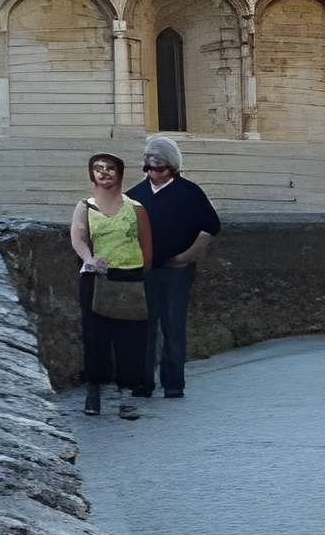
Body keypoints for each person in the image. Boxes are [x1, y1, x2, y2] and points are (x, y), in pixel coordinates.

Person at [136, 133, 220, 400]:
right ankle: (142, 383)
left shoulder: (190, 192)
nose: (153, 172)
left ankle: (173, 383)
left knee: (173, 325)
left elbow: (211, 227)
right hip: (145, 269)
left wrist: (187, 256)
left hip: (177, 271)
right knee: (143, 327)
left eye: (159, 168)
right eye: (148, 167)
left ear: (172, 167)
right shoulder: (135, 195)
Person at [68, 150, 151, 418]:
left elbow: (146, 246)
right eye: (98, 168)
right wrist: (89, 259)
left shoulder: (135, 208)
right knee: (95, 338)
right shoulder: (85, 206)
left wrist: (140, 273)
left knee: (130, 339)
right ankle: (94, 392)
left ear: (120, 174)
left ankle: (126, 395)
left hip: (129, 277)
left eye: (110, 168)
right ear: (91, 174)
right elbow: (78, 236)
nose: (104, 172)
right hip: (97, 278)